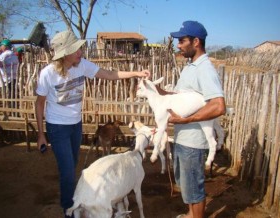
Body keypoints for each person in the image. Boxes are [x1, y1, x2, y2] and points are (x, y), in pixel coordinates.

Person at [35, 30, 150, 218]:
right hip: (57, 127)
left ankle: (78, 204)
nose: (80, 52)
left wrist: (135, 73)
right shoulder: (47, 74)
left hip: (75, 125)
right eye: (76, 50)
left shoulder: (82, 66)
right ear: (64, 54)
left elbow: (110, 74)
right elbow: (39, 103)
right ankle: (69, 211)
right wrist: (41, 134)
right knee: (67, 172)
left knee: (72, 164)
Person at [156, 21, 226, 218]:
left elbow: (218, 106)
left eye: (182, 40)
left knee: (194, 187)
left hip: (193, 141)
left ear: (196, 42)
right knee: (185, 184)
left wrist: (187, 120)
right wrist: (158, 92)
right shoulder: (190, 67)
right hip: (181, 138)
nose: (178, 45)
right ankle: (190, 215)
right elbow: (180, 97)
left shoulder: (205, 68)